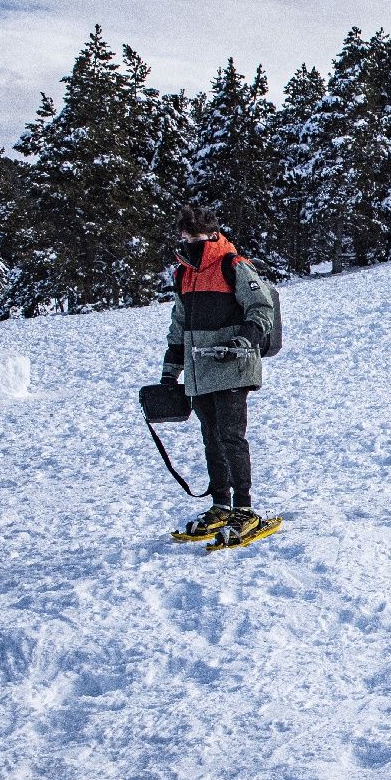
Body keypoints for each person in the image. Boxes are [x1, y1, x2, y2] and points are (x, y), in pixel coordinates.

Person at [162, 205, 278, 548]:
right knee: (211, 440)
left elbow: (262, 310)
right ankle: (220, 505)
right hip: (200, 371)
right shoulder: (184, 273)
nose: (188, 243)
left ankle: (244, 509)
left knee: (231, 437)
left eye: (195, 237)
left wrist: (244, 341)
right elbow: (179, 323)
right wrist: (171, 369)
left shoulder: (234, 265)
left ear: (212, 235)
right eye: (184, 237)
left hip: (233, 366)